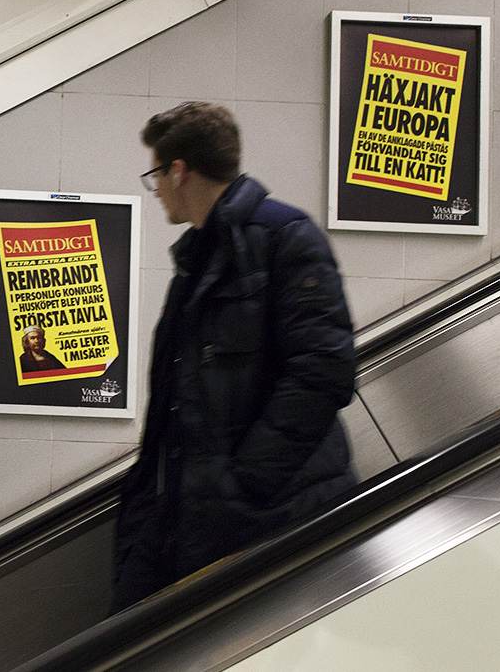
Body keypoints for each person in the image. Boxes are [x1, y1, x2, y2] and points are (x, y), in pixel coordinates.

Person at [112, 102, 356, 612]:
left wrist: (242, 485)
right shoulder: (198, 259)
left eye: (155, 173)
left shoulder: (285, 238)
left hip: (264, 517)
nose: (155, 189)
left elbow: (324, 371)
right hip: (190, 513)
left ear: (179, 172)